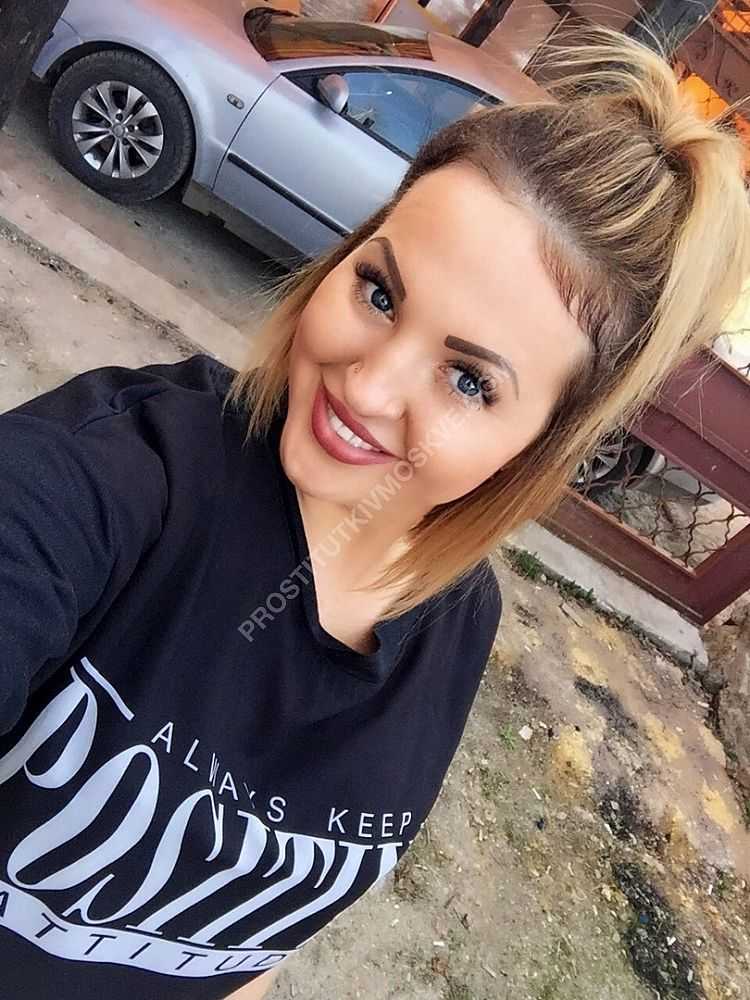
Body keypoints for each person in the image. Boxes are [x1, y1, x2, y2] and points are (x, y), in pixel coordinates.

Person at [0, 29, 747, 1000]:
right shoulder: (109, 480)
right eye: (381, 291)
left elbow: (237, 941)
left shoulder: (457, 624)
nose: (367, 385)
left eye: (469, 380)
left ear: (540, 443)